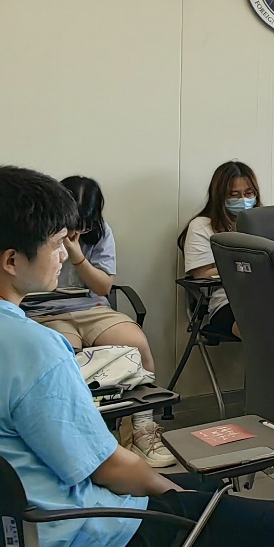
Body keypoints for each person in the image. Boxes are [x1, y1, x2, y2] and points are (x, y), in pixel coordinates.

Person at [0, 166, 274, 547]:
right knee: (271, 524)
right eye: (57, 243)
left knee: (205, 502)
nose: (65, 254)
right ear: (10, 260)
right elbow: (109, 469)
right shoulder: (30, 345)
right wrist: (169, 489)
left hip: (1, 544)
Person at [23, 176, 170, 467]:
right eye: (71, 224)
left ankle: (139, 432)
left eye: (84, 225)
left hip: (91, 308)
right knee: (67, 355)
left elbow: (103, 287)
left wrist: (78, 256)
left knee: (136, 345)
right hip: (44, 311)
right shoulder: (34, 231)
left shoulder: (100, 232)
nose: (77, 232)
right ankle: (81, 438)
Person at [179, 161, 261, 340]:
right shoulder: (201, 226)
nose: (243, 200)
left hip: (266, 296)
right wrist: (246, 267)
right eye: (234, 195)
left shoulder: (263, 223)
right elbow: (202, 274)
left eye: (248, 193)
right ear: (220, 196)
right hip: (228, 301)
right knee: (262, 328)